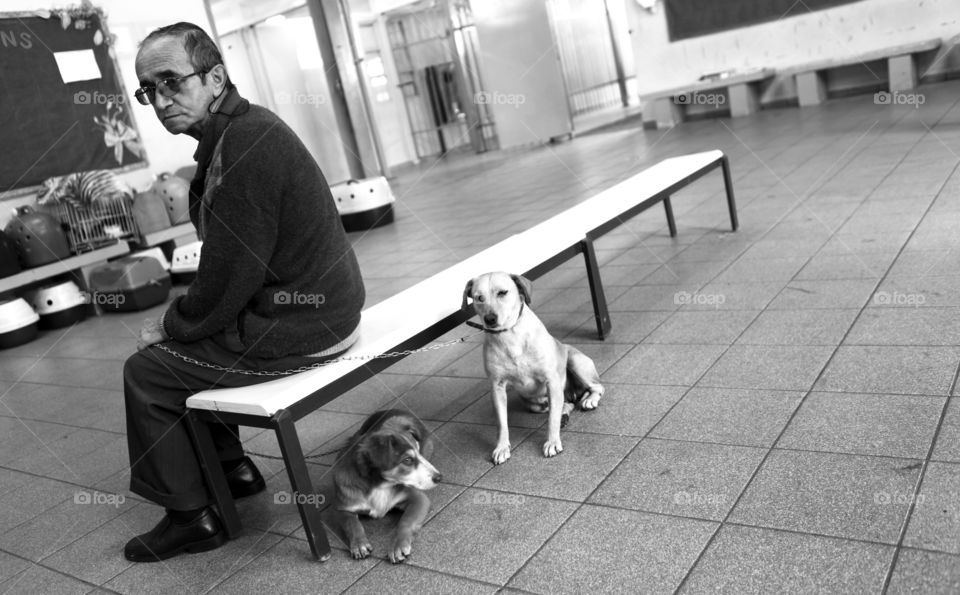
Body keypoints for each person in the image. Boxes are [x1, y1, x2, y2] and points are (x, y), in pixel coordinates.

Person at [123, 22, 365, 562]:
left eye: (171, 82)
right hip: (318, 305)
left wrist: (169, 322)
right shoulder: (237, 130)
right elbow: (232, 269)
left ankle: (191, 518)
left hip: (307, 324)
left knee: (149, 371)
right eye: (149, 91)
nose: (161, 101)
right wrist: (186, 320)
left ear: (215, 77)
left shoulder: (245, 148)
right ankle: (234, 471)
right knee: (185, 348)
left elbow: (229, 277)